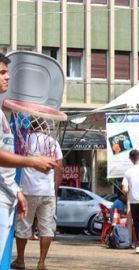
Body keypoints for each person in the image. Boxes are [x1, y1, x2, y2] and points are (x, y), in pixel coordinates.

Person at [0, 53, 58, 266]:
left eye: (7, 72)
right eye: (2, 72)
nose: (7, 77)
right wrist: (33, 162)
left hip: (9, 194)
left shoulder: (2, 115)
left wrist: (16, 190)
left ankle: (32, 261)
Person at [11, 127, 63, 270]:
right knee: (46, 228)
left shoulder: (24, 140)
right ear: (46, 127)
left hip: (27, 190)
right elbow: (60, 170)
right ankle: (41, 262)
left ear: (30, 126)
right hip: (47, 192)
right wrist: (54, 190)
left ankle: (20, 260)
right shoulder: (53, 142)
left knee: (23, 226)